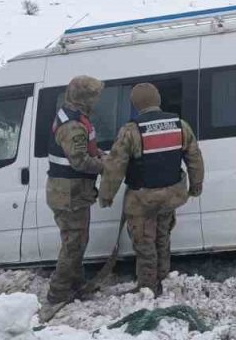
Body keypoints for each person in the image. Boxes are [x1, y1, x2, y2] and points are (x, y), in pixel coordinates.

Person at [100, 83, 204, 294]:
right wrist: (196, 186)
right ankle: (164, 280)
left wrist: (107, 195)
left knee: (145, 243)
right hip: (171, 195)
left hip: (143, 199)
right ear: (158, 99)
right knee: (162, 237)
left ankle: (149, 288)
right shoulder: (180, 125)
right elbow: (194, 158)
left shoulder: (131, 130)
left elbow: (115, 167)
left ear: (136, 104)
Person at [42, 76, 106, 318]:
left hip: (71, 192)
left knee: (78, 240)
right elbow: (79, 161)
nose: (97, 100)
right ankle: (57, 292)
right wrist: (105, 165)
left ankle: (76, 285)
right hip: (69, 194)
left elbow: (83, 150)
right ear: (84, 98)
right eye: (94, 96)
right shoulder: (73, 125)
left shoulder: (72, 116)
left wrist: (99, 153)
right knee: (73, 244)